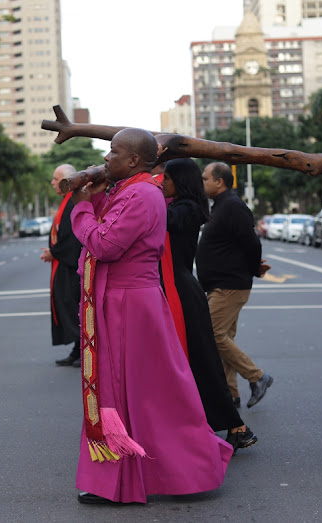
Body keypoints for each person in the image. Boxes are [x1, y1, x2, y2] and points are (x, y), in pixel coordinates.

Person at [70, 128, 232, 505]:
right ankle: (119, 480)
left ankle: (169, 472)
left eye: (113, 153)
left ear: (132, 160)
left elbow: (104, 244)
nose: (106, 159)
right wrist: (93, 199)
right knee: (128, 395)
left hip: (130, 305)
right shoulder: (128, 190)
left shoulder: (142, 194)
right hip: (121, 302)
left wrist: (80, 207)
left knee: (143, 395)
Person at [159, 158, 257, 453]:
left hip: (183, 292)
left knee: (202, 360)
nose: (161, 183)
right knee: (192, 362)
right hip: (176, 289)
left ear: (179, 180)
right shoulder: (181, 206)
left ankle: (236, 425)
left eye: (166, 178)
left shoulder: (185, 209)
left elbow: (163, 219)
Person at [195, 162, 273, 409]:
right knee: (224, 338)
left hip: (229, 285)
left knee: (213, 335)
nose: (202, 182)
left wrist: (253, 269)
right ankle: (231, 395)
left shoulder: (233, 206)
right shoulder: (220, 206)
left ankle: (258, 376)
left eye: (205, 178)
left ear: (220, 181)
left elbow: (252, 244)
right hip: (221, 284)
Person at [40, 164, 82, 368]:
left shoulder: (74, 202)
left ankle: (81, 350)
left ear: (66, 181)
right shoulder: (67, 202)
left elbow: (72, 238)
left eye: (56, 179)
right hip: (63, 264)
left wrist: (54, 252)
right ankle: (77, 349)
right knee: (68, 307)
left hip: (71, 266)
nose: (52, 183)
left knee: (73, 307)